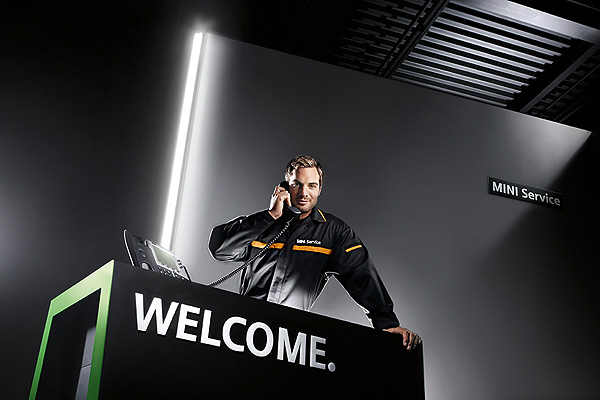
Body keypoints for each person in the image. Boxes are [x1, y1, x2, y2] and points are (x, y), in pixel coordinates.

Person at [208, 155, 421, 350]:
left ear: (319, 189)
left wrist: (386, 323)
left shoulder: (334, 233)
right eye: (297, 184)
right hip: (242, 331)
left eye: (312, 185)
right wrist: (270, 216)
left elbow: (361, 274)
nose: (304, 193)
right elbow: (220, 249)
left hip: (288, 342)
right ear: (284, 187)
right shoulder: (262, 224)